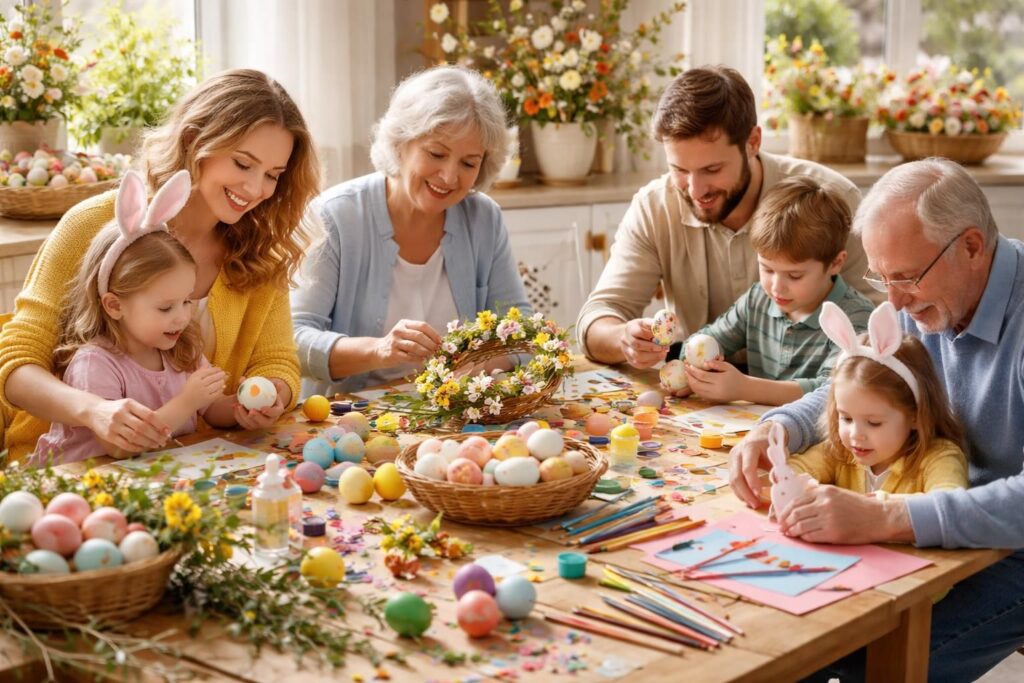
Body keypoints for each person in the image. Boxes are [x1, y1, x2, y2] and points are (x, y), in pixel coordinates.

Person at [729, 158, 1024, 681]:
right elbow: (859, 380)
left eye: (906, 277)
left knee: (865, 662)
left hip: (1012, 546)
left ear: (972, 247)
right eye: (881, 278)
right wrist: (775, 428)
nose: (894, 302)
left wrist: (888, 516)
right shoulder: (931, 297)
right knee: (801, 638)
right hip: (948, 526)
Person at [0, 69, 321, 461]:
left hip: (193, 463)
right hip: (70, 470)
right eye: (242, 164)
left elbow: (278, 361)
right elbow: (16, 362)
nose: (256, 190)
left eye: (273, 175)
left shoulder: (257, 253)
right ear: (193, 141)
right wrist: (94, 410)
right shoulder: (92, 225)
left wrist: (270, 394)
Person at [575, 65, 882, 370]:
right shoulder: (655, 207)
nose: (695, 190)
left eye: (712, 170)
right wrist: (623, 339)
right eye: (679, 170)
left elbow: (880, 331)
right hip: (698, 397)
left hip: (810, 399)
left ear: (753, 142)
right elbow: (596, 318)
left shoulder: (833, 199)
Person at [292, 65, 529, 396]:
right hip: (350, 423)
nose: (449, 176)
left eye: (468, 163)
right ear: (401, 143)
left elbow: (522, 332)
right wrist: (379, 351)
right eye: (436, 153)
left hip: (453, 416)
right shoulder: (334, 216)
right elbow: (293, 339)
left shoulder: (483, 219)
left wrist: (477, 365)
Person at [33, 171, 230, 465]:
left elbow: (212, 410)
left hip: (152, 480)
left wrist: (244, 409)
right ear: (114, 305)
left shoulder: (181, 349)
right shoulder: (95, 363)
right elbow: (120, 448)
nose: (182, 317)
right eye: (166, 308)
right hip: (84, 484)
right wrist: (188, 401)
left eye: (187, 301)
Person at [681, 176, 875, 405]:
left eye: (794, 275)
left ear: (835, 263)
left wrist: (745, 389)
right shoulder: (758, 299)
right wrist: (695, 368)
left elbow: (833, 391)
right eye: (767, 269)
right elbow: (707, 338)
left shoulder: (855, 318)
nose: (776, 287)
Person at [780, 301, 967, 498]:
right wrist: (790, 481)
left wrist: (878, 506)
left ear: (915, 415)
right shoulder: (840, 452)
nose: (856, 434)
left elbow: (949, 503)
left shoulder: (940, 458)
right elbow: (797, 467)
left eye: (874, 423)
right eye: (846, 418)